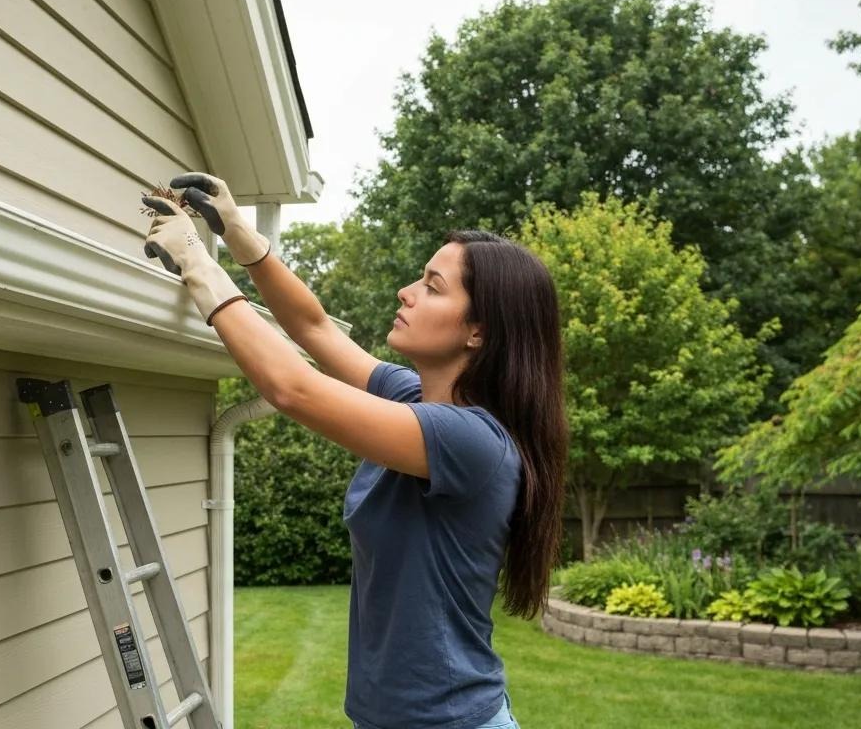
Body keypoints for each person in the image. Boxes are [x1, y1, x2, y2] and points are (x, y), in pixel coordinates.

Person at [141, 172, 567, 729]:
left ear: (478, 333)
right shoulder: (414, 398)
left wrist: (199, 263)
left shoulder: (471, 441)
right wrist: (242, 237)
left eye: (433, 287)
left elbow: (294, 388)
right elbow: (315, 329)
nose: (407, 292)